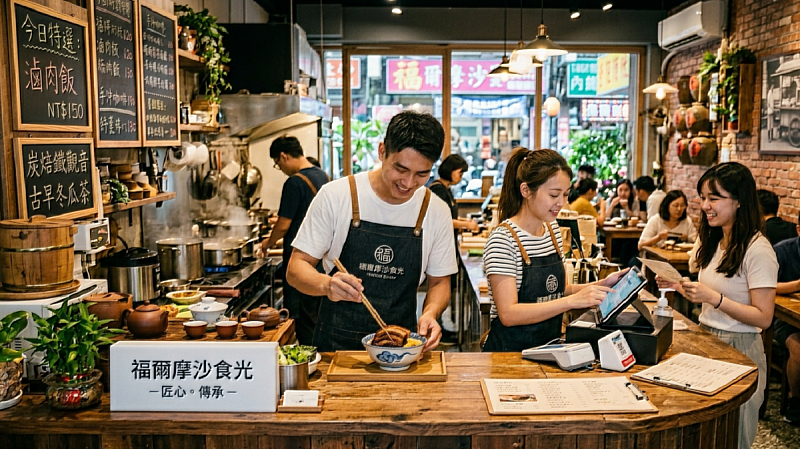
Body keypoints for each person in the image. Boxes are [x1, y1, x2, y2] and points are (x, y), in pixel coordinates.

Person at [287, 111, 457, 352]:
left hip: (401, 348)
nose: (408, 183)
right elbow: (296, 268)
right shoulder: (337, 195)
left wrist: (430, 313)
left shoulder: (435, 210)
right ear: (381, 151)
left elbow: (439, 282)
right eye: (400, 169)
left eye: (421, 174)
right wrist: (327, 285)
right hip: (336, 348)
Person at [657, 162, 777, 449]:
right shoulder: (715, 240)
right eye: (703, 197)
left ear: (738, 201)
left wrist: (714, 298)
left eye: (714, 198)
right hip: (708, 340)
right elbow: (711, 294)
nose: (705, 205)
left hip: (741, 348)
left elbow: (763, 318)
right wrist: (680, 286)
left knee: (733, 438)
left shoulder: (758, 249)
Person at [482, 148, 627, 352]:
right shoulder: (504, 240)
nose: (561, 203)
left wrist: (600, 286)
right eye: (553, 195)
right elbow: (508, 314)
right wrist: (570, 302)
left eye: (566, 194)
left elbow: (557, 290)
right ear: (526, 191)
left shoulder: (552, 230)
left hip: (547, 350)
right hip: (509, 355)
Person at [259, 136, 330, 345]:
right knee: (315, 315)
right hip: (321, 258)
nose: (280, 168)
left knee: (302, 319)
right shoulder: (322, 175)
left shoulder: (294, 182)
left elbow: (283, 225)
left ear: (283, 156)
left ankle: (309, 362)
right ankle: (319, 356)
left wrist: (266, 244)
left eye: (277, 163)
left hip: (300, 260)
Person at [770, 212, 800, 425]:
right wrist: (797, 285)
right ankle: (796, 403)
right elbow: (765, 287)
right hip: (784, 319)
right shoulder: (782, 251)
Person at [430, 154, 480, 233]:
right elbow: (442, 221)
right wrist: (467, 225)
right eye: (460, 174)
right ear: (450, 170)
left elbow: (450, 216)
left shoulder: (446, 188)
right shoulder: (438, 190)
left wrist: (465, 221)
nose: (461, 178)